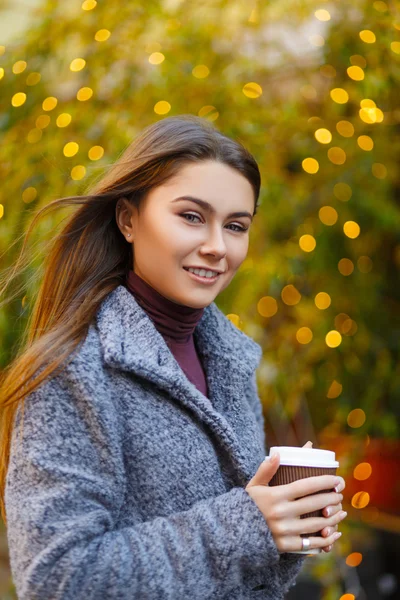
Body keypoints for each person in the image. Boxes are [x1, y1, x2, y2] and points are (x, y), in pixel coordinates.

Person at [0, 115, 346, 599]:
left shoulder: (230, 359)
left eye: (236, 226)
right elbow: (58, 579)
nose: (216, 247)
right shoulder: (73, 369)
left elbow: (243, 562)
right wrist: (247, 525)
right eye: (191, 216)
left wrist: (288, 525)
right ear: (127, 219)